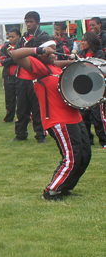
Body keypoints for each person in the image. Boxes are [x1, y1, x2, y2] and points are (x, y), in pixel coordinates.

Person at [12, 36, 90, 200]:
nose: (54, 52)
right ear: (40, 52)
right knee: (72, 158)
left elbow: (60, 64)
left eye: (55, 48)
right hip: (59, 120)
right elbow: (15, 54)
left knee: (84, 155)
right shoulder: (38, 67)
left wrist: (81, 62)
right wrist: (38, 51)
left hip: (74, 116)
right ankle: (51, 191)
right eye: (50, 50)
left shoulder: (53, 67)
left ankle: (64, 188)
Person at [12, 11, 47, 143]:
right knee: (21, 107)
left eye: (31, 21)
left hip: (37, 75)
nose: (28, 24)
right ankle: (20, 134)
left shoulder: (43, 36)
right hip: (22, 76)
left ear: (37, 22)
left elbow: (43, 55)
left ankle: (40, 135)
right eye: (26, 21)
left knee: (37, 107)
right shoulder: (22, 38)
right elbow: (15, 54)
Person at [76, 32, 106, 147]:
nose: (82, 42)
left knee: (98, 116)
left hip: (97, 88)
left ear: (91, 41)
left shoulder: (99, 53)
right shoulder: (80, 53)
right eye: (82, 40)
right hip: (84, 88)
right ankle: (87, 139)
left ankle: (104, 140)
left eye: (85, 40)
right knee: (84, 115)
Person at [0, 28, 20, 123]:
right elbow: (3, 61)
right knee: (9, 98)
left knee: (21, 97)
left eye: (13, 36)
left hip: (20, 75)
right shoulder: (5, 48)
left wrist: (11, 58)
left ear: (18, 37)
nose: (11, 39)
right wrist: (14, 58)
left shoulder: (22, 46)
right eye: (9, 37)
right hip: (8, 76)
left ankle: (22, 116)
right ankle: (9, 117)